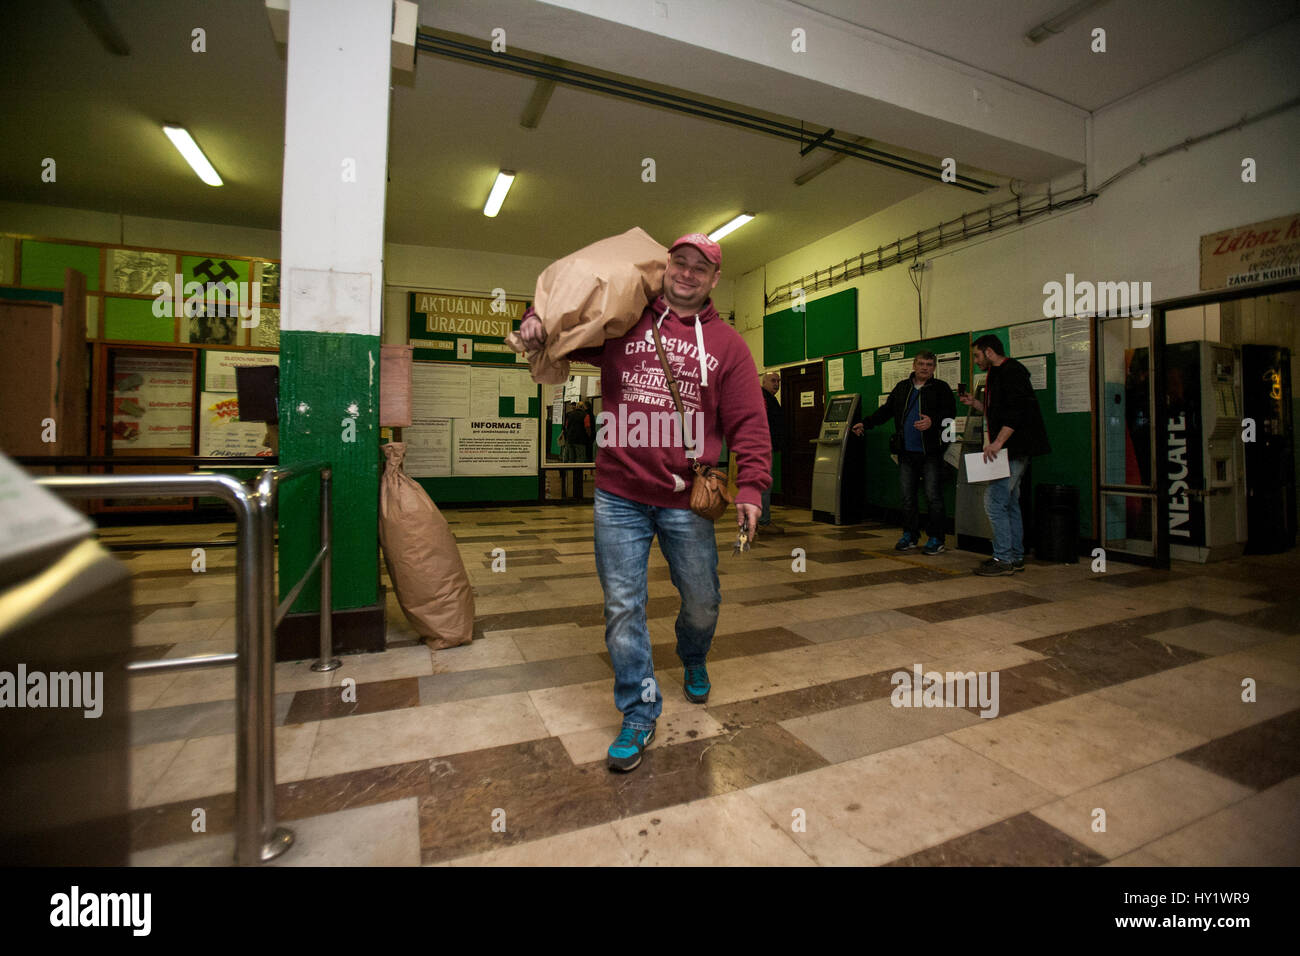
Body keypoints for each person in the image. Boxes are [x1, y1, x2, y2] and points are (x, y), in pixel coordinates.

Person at [516, 234, 770, 772]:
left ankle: (693, 655)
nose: (687, 273)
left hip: (686, 497)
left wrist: (752, 487)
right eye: (680, 263)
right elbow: (565, 327)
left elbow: (749, 421)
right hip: (618, 494)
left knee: (702, 601)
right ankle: (638, 709)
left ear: (714, 279)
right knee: (622, 605)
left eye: (700, 267)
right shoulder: (626, 318)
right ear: (665, 268)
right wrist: (534, 315)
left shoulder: (728, 345)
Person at [959, 333, 1051, 575]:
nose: (976, 360)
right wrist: (977, 404)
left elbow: (1016, 412)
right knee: (1009, 502)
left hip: (1014, 449)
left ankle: (1004, 559)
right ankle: (1015, 555)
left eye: (978, 355)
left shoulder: (1012, 372)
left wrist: (998, 442)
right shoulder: (998, 374)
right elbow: (999, 409)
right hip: (1011, 449)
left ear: (989, 352)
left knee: (994, 501)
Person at [850, 352, 955, 555]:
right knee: (907, 497)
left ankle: (936, 538)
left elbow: (950, 414)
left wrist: (932, 421)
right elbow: (887, 410)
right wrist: (866, 422)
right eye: (922, 363)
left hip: (930, 452)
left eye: (930, 365)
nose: (925, 368)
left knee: (933, 496)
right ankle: (910, 535)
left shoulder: (941, 388)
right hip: (906, 452)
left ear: (934, 368)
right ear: (914, 365)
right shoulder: (902, 388)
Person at [758, 370, 785, 532]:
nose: (776, 384)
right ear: (764, 383)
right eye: (773, 381)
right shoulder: (762, 399)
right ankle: (764, 522)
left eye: (778, 381)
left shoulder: (769, 399)